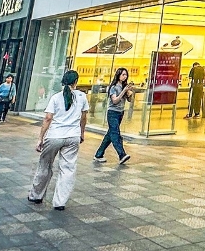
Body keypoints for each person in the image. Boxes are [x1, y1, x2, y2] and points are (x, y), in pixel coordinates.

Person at [29, 70, 88, 210]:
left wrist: (40, 138)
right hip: (73, 136)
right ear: (76, 81)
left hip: (54, 136)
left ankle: (36, 195)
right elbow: (84, 117)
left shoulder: (56, 97)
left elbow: (48, 118)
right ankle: (60, 202)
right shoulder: (82, 96)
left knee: (45, 165)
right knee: (67, 169)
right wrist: (82, 133)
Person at [94, 67, 133, 165]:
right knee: (115, 134)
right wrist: (123, 91)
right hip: (112, 113)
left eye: (126, 75)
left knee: (110, 134)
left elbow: (129, 100)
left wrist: (129, 93)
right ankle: (122, 154)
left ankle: (99, 154)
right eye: (123, 74)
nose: (125, 77)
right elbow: (115, 101)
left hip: (120, 113)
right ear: (118, 75)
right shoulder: (113, 87)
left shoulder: (124, 86)